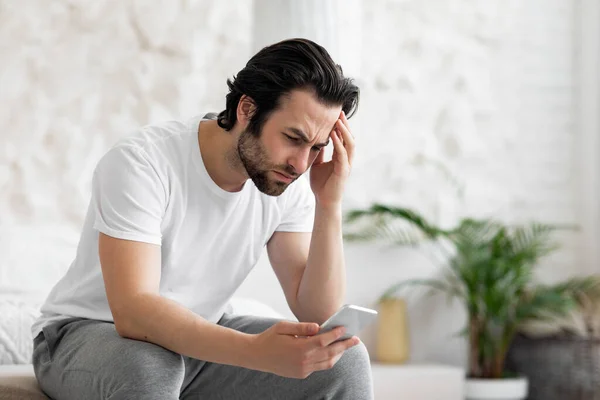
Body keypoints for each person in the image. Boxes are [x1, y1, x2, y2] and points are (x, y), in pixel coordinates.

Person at [31, 38, 373, 399]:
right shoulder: (142, 163)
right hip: (87, 333)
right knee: (149, 365)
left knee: (345, 362)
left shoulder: (286, 181)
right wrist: (256, 352)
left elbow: (318, 313)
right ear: (247, 109)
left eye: (316, 147)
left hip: (195, 342)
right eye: (293, 138)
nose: (301, 163)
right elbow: (134, 311)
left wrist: (329, 202)